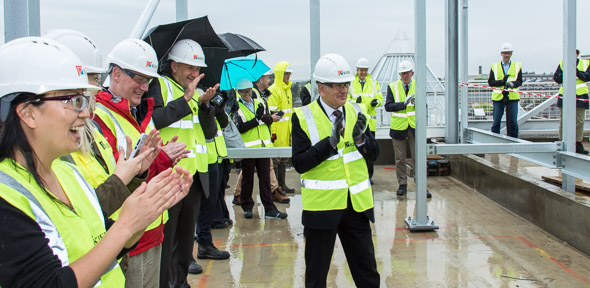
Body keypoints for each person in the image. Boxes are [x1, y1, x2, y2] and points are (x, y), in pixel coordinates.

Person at [0, 36, 191, 288]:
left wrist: (145, 210)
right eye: (73, 101)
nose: (87, 113)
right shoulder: (8, 196)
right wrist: (126, 225)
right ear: (28, 113)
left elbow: (99, 237)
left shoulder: (67, 173)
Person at [93, 38, 189, 288]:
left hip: (152, 228)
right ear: (115, 74)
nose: (144, 87)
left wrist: (162, 156)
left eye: (147, 80)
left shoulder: (139, 113)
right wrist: (163, 159)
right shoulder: (101, 117)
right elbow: (118, 177)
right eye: (138, 79)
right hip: (127, 236)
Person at [44, 29, 161, 216]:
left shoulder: (89, 131)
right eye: (92, 82)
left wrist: (134, 173)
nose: (98, 89)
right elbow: (86, 214)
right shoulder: (51, 157)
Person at [292, 53, 380, 287]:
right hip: (322, 209)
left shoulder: (358, 111)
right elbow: (300, 163)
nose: (344, 90)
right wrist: (329, 144)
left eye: (346, 84)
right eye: (338, 85)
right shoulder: (302, 117)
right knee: (317, 277)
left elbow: (374, 154)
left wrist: (362, 141)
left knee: (368, 274)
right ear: (321, 88)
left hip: (356, 207)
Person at [142, 39, 219, 284]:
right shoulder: (159, 84)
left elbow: (208, 133)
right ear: (174, 66)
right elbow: (154, 118)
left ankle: (181, 281)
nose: (195, 74)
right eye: (190, 68)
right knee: (167, 241)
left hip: (192, 178)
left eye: (197, 70)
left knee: (185, 242)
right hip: (167, 177)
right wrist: (185, 100)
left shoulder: (198, 92)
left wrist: (205, 106)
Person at [231, 78, 288, 219]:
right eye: (244, 92)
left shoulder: (259, 102)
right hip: (248, 149)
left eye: (249, 91)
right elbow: (240, 128)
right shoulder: (236, 108)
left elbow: (267, 120)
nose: (247, 94)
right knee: (247, 179)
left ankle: (269, 209)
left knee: (265, 179)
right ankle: (247, 207)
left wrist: (264, 117)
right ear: (238, 92)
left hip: (263, 147)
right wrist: (258, 119)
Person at [384, 60, 432, 198]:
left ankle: (422, 185)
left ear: (412, 73)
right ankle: (402, 184)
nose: (405, 75)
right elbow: (388, 106)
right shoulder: (392, 87)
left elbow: (425, 106)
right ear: (399, 74)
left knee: (419, 158)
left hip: (415, 127)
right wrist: (403, 104)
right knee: (400, 159)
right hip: (398, 128)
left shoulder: (419, 86)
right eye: (402, 73)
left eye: (407, 73)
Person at [348, 57, 383, 182]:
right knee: (355, 150)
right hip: (355, 123)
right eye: (361, 70)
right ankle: (357, 175)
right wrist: (353, 101)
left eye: (365, 70)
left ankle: (369, 175)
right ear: (357, 70)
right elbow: (345, 99)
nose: (363, 72)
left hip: (370, 123)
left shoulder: (373, 83)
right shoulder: (351, 83)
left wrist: (376, 102)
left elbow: (380, 98)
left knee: (369, 149)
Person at [553, 49, 590, 154]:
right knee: (564, 120)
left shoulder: (585, 63)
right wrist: (565, 73)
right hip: (565, 95)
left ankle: (577, 143)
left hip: (580, 95)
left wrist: (576, 71)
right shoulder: (562, 64)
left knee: (579, 120)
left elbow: (587, 77)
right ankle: (562, 142)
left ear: (577, 55)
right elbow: (557, 78)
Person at [268, 62, 296, 194]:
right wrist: (273, 132)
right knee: (276, 160)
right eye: (286, 73)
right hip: (277, 130)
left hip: (287, 130)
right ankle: (276, 187)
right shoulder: (274, 90)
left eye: (289, 73)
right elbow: (271, 113)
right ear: (280, 74)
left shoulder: (287, 89)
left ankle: (282, 184)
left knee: (284, 159)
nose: (288, 76)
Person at [488, 42, 522, 138]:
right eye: (505, 53)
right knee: (496, 121)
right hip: (498, 97)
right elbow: (491, 82)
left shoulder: (517, 66)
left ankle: (513, 143)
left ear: (511, 54)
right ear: (501, 54)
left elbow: (519, 81)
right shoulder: (495, 66)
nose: (507, 55)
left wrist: (513, 84)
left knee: (513, 122)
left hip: (512, 96)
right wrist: (502, 82)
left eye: (509, 53)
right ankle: (495, 142)